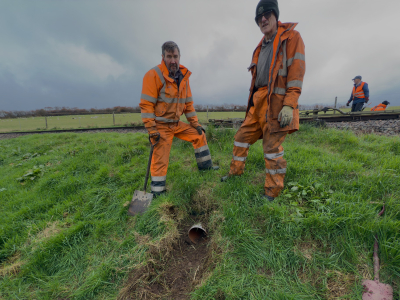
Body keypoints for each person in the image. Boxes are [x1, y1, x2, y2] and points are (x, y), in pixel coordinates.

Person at [221, 0, 306, 201]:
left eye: (267, 14)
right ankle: (235, 173)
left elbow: (296, 74)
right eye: (259, 17)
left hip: (276, 102)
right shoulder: (260, 46)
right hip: (258, 101)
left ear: (276, 16)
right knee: (241, 137)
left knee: (272, 149)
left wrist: (289, 104)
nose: (263, 19)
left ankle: (272, 192)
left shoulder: (291, 38)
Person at [139, 41, 219, 197]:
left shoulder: (184, 77)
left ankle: (206, 168)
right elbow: (146, 105)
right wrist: (152, 129)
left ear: (179, 56)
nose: (173, 60)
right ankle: (157, 192)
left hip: (176, 124)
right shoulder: (153, 75)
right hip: (161, 126)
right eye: (169, 57)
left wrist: (195, 124)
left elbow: (188, 105)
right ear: (163, 57)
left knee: (199, 135)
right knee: (160, 160)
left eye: (175, 56)